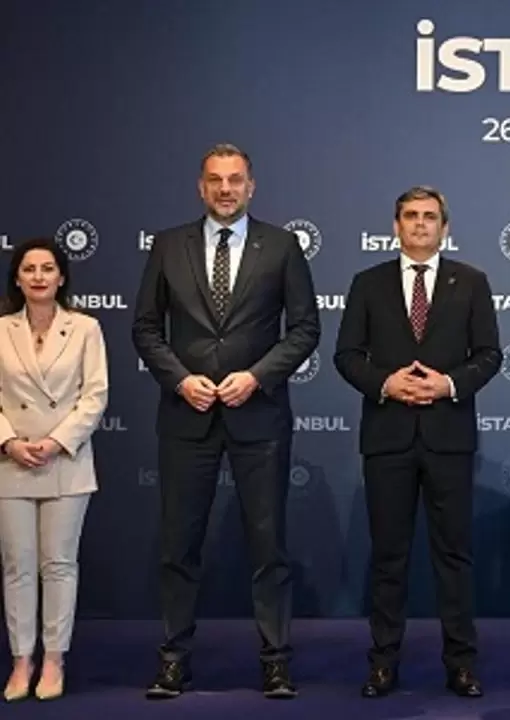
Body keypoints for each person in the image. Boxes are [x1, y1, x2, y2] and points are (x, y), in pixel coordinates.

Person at [132, 143, 321, 699]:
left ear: (251, 186)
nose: (225, 189)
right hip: (186, 415)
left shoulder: (281, 246)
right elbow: (145, 327)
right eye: (215, 180)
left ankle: (276, 661)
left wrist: (257, 377)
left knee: (268, 547)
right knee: (179, 547)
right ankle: (173, 659)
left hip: (258, 415)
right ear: (201, 186)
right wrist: (180, 379)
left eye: (235, 180)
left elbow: (305, 329)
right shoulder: (168, 246)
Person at [334, 186, 501, 699]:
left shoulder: (471, 282)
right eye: (411, 216)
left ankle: (461, 665)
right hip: (388, 438)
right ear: (396, 225)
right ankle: (383, 664)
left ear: (444, 227)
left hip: (448, 437)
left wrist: (447, 384)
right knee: (389, 558)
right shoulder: (368, 283)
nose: (420, 224)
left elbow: (489, 354)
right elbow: (346, 355)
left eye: (430, 216)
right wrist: (386, 383)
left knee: (454, 557)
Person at [0, 238, 108, 702]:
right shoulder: (1, 329)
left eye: (47, 268)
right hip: (10, 461)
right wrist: (9, 441)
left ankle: (53, 660)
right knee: (17, 566)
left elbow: (95, 395)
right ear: (17, 278)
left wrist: (56, 441)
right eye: (29, 269)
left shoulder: (85, 328)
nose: (39, 276)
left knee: (59, 565)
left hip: (65, 460)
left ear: (62, 276)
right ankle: (21, 660)